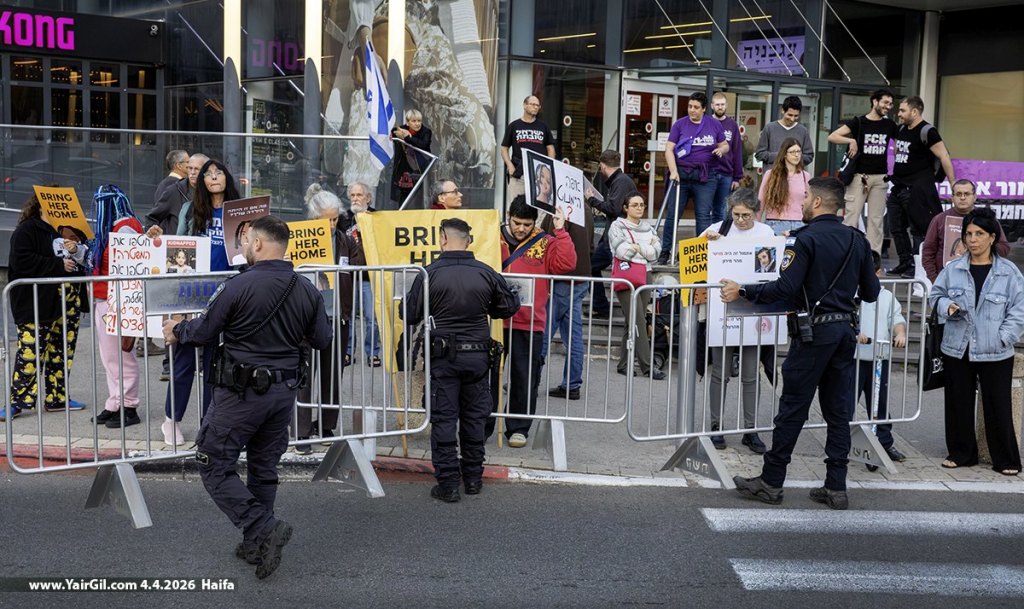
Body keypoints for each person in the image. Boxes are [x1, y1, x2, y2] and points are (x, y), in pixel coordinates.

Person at [164, 215, 331, 579]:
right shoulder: (308, 289)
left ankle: (263, 526)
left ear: (257, 244)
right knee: (263, 468)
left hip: (240, 395)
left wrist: (176, 329)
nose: (241, 248)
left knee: (212, 463)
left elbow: (204, 330)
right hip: (283, 394)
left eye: (244, 242)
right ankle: (256, 543)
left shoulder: (238, 285)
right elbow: (322, 340)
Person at [722, 176, 879, 510]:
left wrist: (744, 291)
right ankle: (836, 487)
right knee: (839, 412)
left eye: (807, 196)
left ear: (819, 202)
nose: (803, 201)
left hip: (813, 334)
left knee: (792, 409)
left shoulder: (803, 239)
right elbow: (872, 292)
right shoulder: (857, 240)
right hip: (844, 333)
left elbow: (784, 288)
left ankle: (771, 482)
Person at [401, 218, 519, 501]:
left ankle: (449, 484)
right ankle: (473, 479)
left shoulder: (429, 274)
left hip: (444, 358)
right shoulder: (486, 272)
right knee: (473, 418)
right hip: (477, 357)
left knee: (444, 419)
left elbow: (409, 313)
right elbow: (508, 307)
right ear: (469, 240)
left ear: (443, 239)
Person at [149, 159, 242, 445]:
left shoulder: (238, 213)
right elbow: (179, 251)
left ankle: (210, 423)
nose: (214, 177)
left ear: (227, 178)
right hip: (192, 294)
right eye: (208, 174)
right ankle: (171, 420)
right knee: (183, 361)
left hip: (227, 294)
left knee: (216, 363)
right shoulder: (192, 210)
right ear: (200, 181)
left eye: (219, 173)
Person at [929, 208, 1024, 476]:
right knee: (958, 403)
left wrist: (1004, 337)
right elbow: (935, 296)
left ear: (992, 237)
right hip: (958, 347)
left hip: (996, 349)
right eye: (968, 234)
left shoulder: (1009, 272)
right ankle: (961, 454)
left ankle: (1006, 459)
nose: (972, 239)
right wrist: (946, 306)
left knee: (998, 405)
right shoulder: (953, 269)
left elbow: (1019, 309)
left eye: (979, 234)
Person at [488, 198, 575, 447]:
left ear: (534, 222)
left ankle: (519, 428)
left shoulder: (545, 241)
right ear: (508, 216)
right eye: (517, 223)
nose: (521, 229)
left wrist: (560, 231)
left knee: (525, 377)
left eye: (527, 224)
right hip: (494, 321)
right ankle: (482, 425)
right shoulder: (493, 236)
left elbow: (566, 265)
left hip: (529, 322)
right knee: (486, 377)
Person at [3, 193, 87, 421]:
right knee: (30, 353)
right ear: (41, 207)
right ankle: (17, 402)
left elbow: (85, 260)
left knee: (61, 352)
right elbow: (21, 262)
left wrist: (77, 250)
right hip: (38, 303)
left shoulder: (71, 230)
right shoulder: (28, 230)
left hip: (68, 302)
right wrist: (57, 265)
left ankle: (57, 398)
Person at [702, 188, 774, 452]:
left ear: (756, 212)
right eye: (736, 215)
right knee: (720, 373)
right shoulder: (719, 227)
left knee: (751, 375)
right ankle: (716, 426)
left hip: (754, 309)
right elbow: (693, 260)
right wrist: (707, 243)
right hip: (723, 310)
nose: (741, 220)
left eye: (746, 215)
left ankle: (750, 429)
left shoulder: (765, 233)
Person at [292, 184, 357, 453]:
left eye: (334, 218)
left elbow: (356, 268)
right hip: (305, 316)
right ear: (313, 217)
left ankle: (327, 425)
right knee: (304, 375)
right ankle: (301, 432)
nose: (331, 224)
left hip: (336, 313)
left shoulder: (346, 240)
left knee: (332, 373)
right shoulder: (297, 236)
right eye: (326, 219)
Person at [88, 185, 144, 429]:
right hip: (106, 298)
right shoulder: (116, 227)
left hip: (118, 300)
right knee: (110, 357)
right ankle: (115, 402)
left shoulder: (126, 227)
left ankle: (129, 405)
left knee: (122, 356)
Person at [886, 95, 956, 279]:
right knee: (896, 227)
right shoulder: (901, 128)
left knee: (918, 230)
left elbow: (944, 156)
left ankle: (918, 269)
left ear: (915, 111)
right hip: (898, 187)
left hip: (917, 189)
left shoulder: (927, 131)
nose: (899, 114)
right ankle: (905, 263)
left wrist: (953, 184)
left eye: (902, 110)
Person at [659, 91, 729, 263]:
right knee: (673, 215)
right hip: (681, 175)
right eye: (690, 107)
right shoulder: (680, 124)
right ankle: (665, 251)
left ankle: (699, 255)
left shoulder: (713, 124)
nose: (692, 110)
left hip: (706, 176)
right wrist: (673, 171)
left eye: (696, 107)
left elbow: (725, 145)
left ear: (704, 109)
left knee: (703, 215)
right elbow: (669, 149)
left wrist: (721, 150)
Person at [853, 251, 908, 462]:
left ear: (878, 273)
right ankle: (842, 442)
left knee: (879, 404)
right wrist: (856, 333)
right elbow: (846, 318)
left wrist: (900, 333)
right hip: (853, 359)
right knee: (846, 403)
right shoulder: (851, 294)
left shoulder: (886, 296)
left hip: (879, 358)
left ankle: (884, 443)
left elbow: (896, 318)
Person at [829, 89, 897, 253]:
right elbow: (833, 136)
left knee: (876, 221)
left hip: (881, 178)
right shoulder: (859, 122)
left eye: (890, 103)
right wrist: (851, 140)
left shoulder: (890, 125)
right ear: (875, 102)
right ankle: (846, 254)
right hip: (859, 177)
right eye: (885, 102)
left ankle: (874, 259)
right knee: (851, 217)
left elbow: (898, 146)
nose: (888, 106)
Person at [542, 195, 595, 402]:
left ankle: (530, 378)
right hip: (580, 276)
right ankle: (571, 384)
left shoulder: (560, 210)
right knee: (573, 334)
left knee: (543, 332)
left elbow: (547, 241)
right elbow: (590, 244)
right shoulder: (586, 209)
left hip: (563, 279)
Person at [610, 194, 666, 380]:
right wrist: (644, 248)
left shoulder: (649, 228)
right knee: (638, 320)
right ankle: (647, 366)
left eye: (642, 205)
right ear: (626, 207)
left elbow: (656, 253)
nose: (639, 208)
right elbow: (620, 251)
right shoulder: (617, 226)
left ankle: (623, 363)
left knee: (634, 320)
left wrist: (636, 247)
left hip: (645, 274)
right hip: (627, 276)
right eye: (634, 205)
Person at [921, 179, 1009, 283]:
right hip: (947, 281)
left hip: (982, 279)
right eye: (958, 194)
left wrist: (984, 246)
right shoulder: (939, 220)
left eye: (966, 194)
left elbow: (1004, 248)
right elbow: (928, 252)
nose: (962, 198)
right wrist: (935, 280)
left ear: (974, 196)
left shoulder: (987, 219)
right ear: (952, 197)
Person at [589, 149, 639, 317]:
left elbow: (613, 208)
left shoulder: (620, 182)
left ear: (603, 166)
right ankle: (602, 307)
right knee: (592, 266)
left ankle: (630, 312)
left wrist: (592, 200)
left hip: (618, 239)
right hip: (612, 238)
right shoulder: (619, 181)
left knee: (622, 274)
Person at [340, 181, 382, 367]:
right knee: (347, 316)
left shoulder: (377, 218)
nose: (355, 199)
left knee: (372, 318)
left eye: (359, 195)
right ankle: (347, 351)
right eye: (353, 195)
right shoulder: (343, 218)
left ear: (368, 198)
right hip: (348, 276)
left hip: (369, 277)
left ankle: (372, 352)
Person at [500, 95, 556, 202]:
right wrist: (510, 165)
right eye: (532, 104)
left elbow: (551, 149)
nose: (535, 107)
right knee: (516, 206)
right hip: (518, 173)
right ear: (525, 105)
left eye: (538, 105)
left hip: (538, 175)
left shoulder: (543, 127)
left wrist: (548, 168)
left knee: (539, 209)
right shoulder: (514, 126)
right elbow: (504, 149)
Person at [758, 137, 810, 235]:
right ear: (785, 154)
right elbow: (761, 200)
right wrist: (756, 224)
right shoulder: (770, 174)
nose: (796, 155)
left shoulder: (805, 176)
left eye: (799, 151)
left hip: (799, 224)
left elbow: (809, 201)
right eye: (793, 152)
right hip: (776, 222)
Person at [710, 93, 745, 224]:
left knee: (723, 210)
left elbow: (737, 151)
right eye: (717, 104)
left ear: (726, 106)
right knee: (706, 209)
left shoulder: (732, 125)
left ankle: (720, 240)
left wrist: (737, 177)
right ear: (712, 106)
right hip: (709, 173)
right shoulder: (707, 122)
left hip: (726, 174)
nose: (720, 107)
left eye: (722, 104)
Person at [754, 95, 814, 167]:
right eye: (790, 115)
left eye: (796, 116)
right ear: (782, 110)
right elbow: (759, 154)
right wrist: (781, 156)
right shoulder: (769, 128)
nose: (792, 119)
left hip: (794, 176)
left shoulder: (803, 131)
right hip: (773, 176)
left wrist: (794, 157)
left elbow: (809, 156)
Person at [390, 109, 433, 206]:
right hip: (403, 168)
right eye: (414, 121)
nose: (417, 124)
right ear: (408, 122)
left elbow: (423, 144)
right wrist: (401, 132)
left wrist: (407, 138)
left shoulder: (426, 131)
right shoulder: (402, 129)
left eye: (419, 121)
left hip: (420, 169)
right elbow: (393, 132)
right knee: (402, 199)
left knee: (419, 198)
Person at [145, 149, 190, 236]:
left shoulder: (167, 184)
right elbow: (156, 215)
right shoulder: (171, 186)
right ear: (179, 165)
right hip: (172, 241)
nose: (191, 165)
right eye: (188, 162)